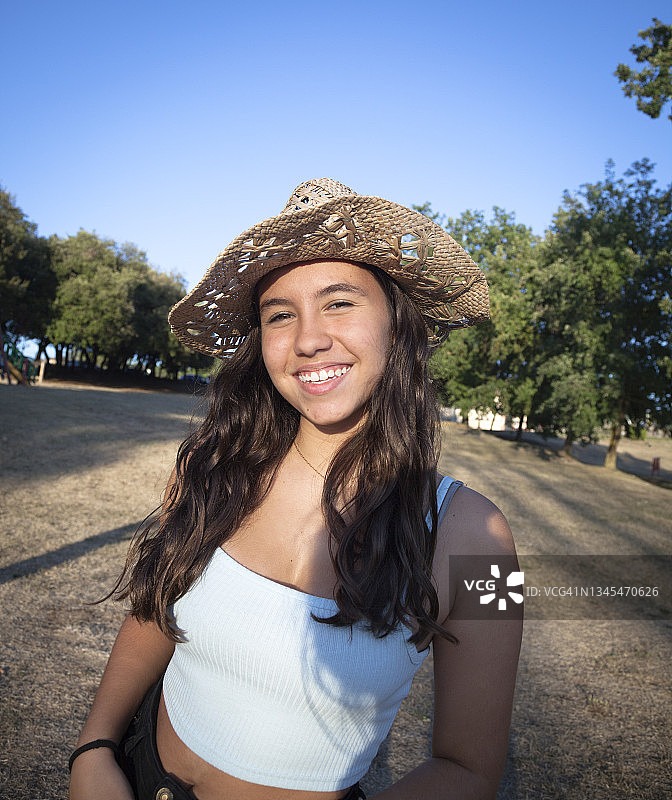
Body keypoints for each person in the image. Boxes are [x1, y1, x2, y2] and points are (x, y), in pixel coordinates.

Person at [68, 178, 522, 800]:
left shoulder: (485, 538)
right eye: (280, 314)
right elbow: (152, 611)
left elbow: (471, 769)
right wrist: (94, 751)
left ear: (399, 323)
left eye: (339, 303)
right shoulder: (209, 468)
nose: (308, 338)